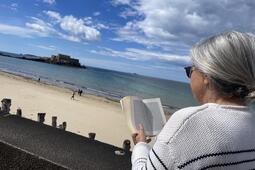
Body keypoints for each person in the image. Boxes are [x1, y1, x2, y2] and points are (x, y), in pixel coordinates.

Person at [131, 31, 255, 170]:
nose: (189, 76)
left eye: (190, 70)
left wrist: (141, 145)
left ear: (207, 76)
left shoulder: (188, 121)